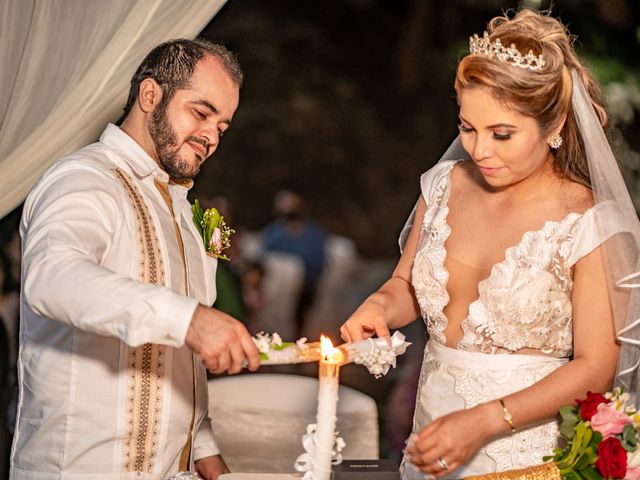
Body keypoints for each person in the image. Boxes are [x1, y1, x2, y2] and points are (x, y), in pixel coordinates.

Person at [340, 9, 640, 479]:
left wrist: (485, 420)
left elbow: (595, 367)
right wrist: (379, 305)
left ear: (556, 123)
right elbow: (407, 284)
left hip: (525, 459)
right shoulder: (444, 186)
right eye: (467, 128)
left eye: (502, 134)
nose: (480, 151)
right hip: (429, 446)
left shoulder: (588, 222)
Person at [11, 39, 260, 480]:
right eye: (201, 113)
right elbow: (51, 278)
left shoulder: (184, 213)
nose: (211, 136)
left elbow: (184, 358)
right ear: (150, 96)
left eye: (222, 127)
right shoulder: (82, 179)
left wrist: (203, 447)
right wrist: (191, 320)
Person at [262, 190, 326, 336]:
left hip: (307, 287)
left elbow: (318, 261)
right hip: (279, 291)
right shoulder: (274, 232)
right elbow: (265, 256)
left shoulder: (313, 232)